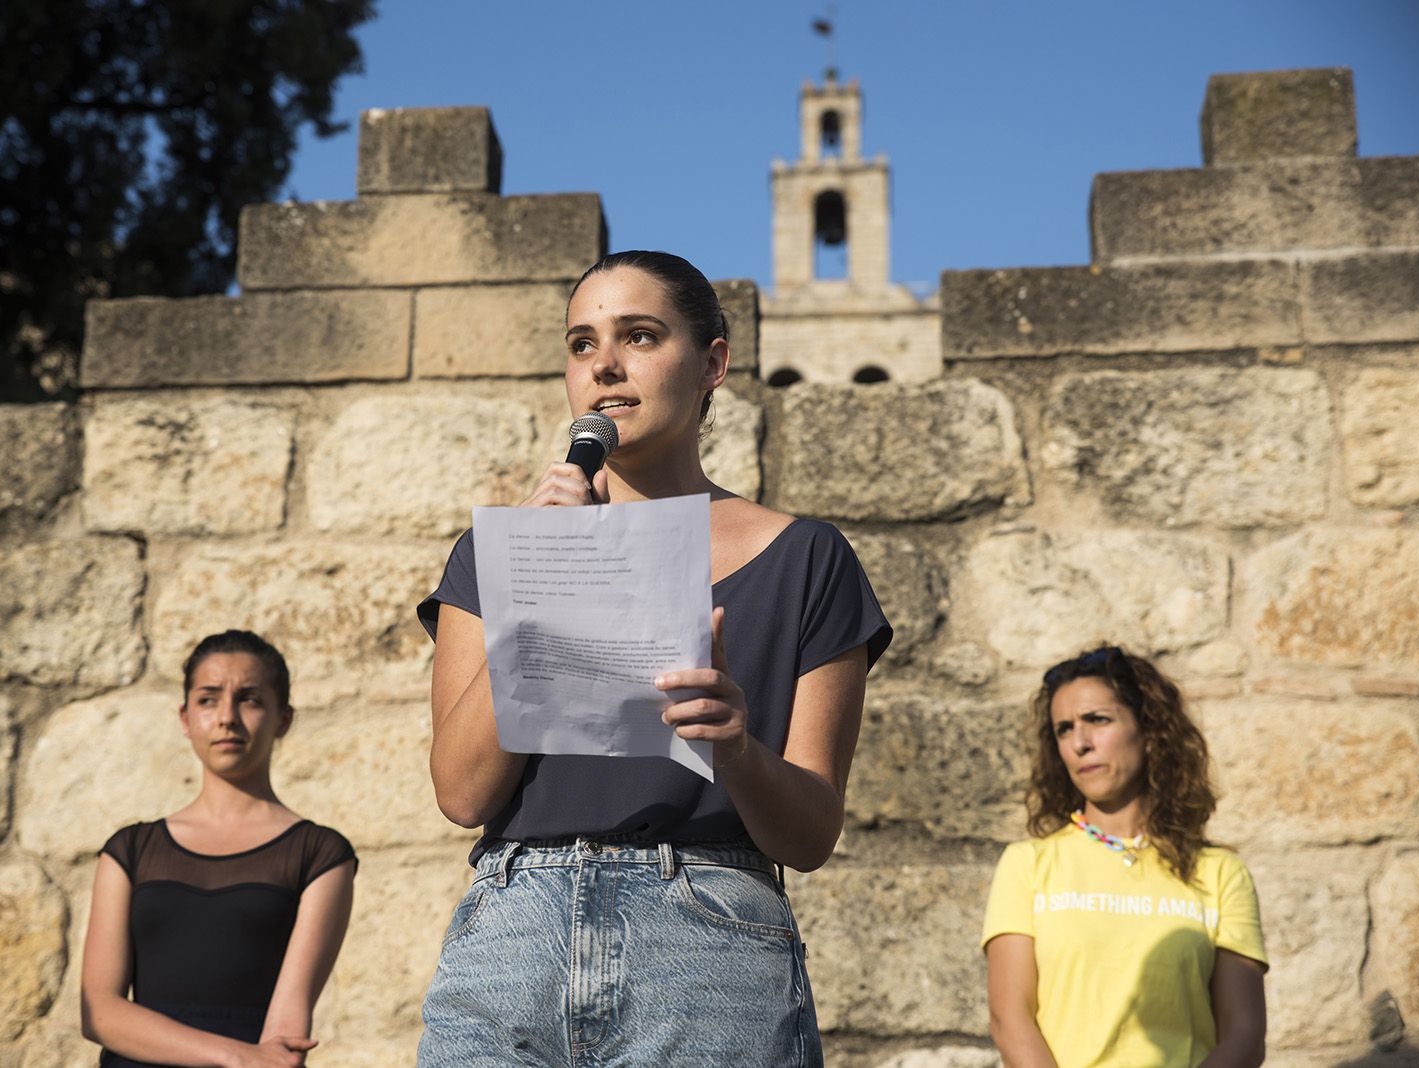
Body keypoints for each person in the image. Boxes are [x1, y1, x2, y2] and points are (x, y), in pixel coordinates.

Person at [415, 249, 892, 1065]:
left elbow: (811, 834)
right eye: (580, 344)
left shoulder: (806, 558)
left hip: (707, 941)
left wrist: (736, 749)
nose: (604, 364)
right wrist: (546, 582)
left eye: (638, 336)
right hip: (512, 936)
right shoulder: (498, 555)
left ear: (711, 363)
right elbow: (462, 792)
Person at [982, 645, 1268, 1068]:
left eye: (1097, 720)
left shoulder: (1221, 874)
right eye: (1063, 729)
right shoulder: (1027, 865)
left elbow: (1244, 1036)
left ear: (1151, 731)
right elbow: (1010, 1020)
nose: (1080, 743)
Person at [81, 630, 356, 1068]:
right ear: (185, 717)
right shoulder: (130, 850)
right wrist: (235, 1056)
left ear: (283, 719)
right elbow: (98, 1012)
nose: (227, 717)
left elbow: (285, 1036)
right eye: (208, 699)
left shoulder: (319, 854)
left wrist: (251, 1061)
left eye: (249, 698)